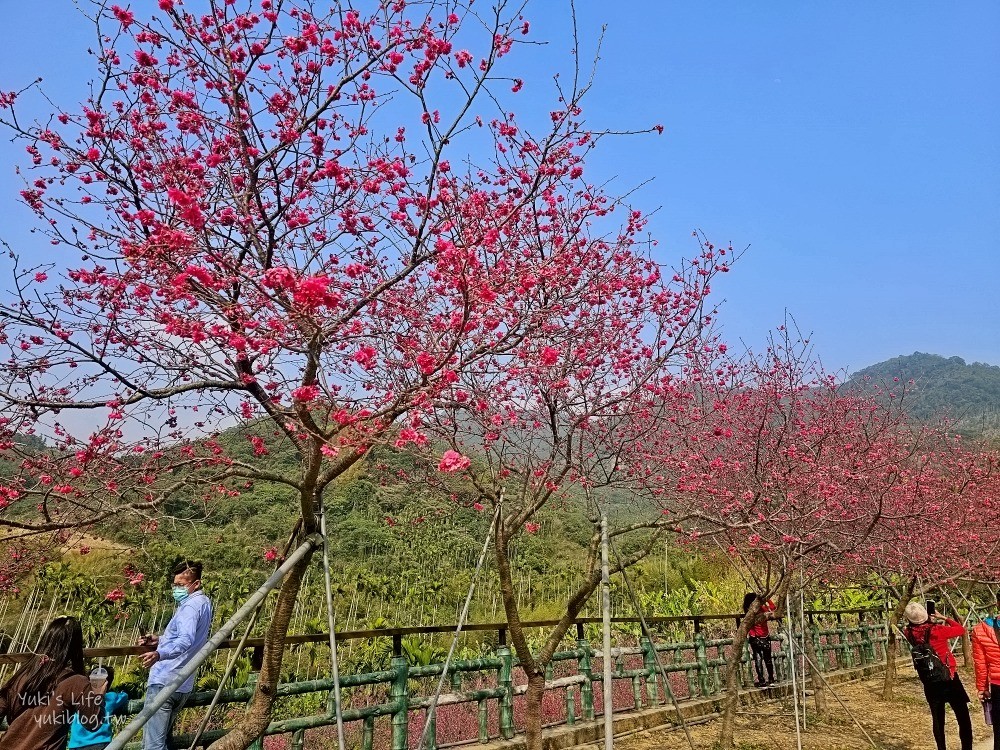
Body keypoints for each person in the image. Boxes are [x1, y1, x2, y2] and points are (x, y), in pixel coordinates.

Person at [137, 560, 213, 750]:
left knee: (153, 745)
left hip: (165, 681)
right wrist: (159, 640)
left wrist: (159, 654)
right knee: (165, 742)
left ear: (196, 584)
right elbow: (186, 637)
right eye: (175, 584)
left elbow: (185, 640)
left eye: (181, 585)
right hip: (183, 683)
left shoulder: (189, 608)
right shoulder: (203, 602)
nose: (176, 589)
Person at [0, 616, 106, 750]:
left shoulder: (22, 675)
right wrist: (98, 695)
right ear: (75, 646)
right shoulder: (76, 682)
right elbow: (93, 723)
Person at [904, 602, 972, 750]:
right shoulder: (937, 630)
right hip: (949, 677)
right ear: (926, 614)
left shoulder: (908, 633)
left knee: (937, 719)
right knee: (963, 717)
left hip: (929, 681)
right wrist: (943, 617)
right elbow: (961, 630)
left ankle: (941, 748)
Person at [68, 664, 130, 750]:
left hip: (76, 744)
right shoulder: (111, 697)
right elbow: (124, 696)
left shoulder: (79, 698)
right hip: (100, 742)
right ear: (107, 683)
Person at [972, 591, 1000, 749]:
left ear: (997, 603)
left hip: (997, 686)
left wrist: (982, 688)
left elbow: (980, 663)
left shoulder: (980, 630)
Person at [743, 592, 776, 687]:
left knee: (758, 659)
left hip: (755, 637)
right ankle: (770, 679)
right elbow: (773, 608)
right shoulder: (760, 609)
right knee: (767, 659)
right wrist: (767, 600)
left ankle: (762, 680)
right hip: (762, 636)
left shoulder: (748, 611)